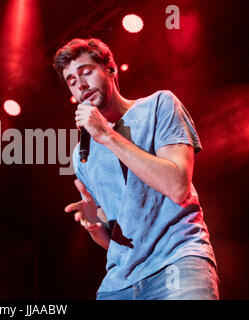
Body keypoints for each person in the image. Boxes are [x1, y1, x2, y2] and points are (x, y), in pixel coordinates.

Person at [53, 38, 219, 300]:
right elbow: (115, 240)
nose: (81, 85)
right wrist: (95, 224)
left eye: (86, 72)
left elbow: (177, 187)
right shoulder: (81, 154)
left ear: (110, 69)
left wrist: (106, 134)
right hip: (119, 283)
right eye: (72, 81)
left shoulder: (159, 105)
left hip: (177, 261)